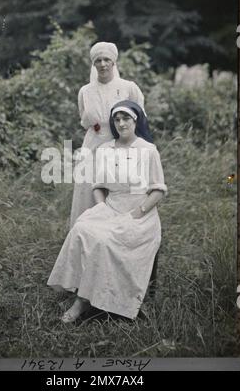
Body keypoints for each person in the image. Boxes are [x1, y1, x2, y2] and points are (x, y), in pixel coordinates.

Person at [47, 100, 167, 323]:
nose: (121, 123)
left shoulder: (148, 150)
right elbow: (98, 187)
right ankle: (84, 290)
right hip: (110, 207)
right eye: (117, 119)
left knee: (104, 241)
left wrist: (137, 213)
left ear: (136, 120)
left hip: (140, 214)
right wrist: (101, 207)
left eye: (126, 118)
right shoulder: (105, 150)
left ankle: (83, 302)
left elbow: (158, 191)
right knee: (82, 228)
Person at [70, 41, 146, 228]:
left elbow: (141, 118)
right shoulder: (85, 92)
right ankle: (88, 235)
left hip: (121, 145)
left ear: (113, 62)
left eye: (106, 60)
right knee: (89, 190)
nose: (102, 64)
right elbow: (84, 119)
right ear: (93, 64)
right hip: (93, 146)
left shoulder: (129, 88)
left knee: (119, 191)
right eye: (98, 61)